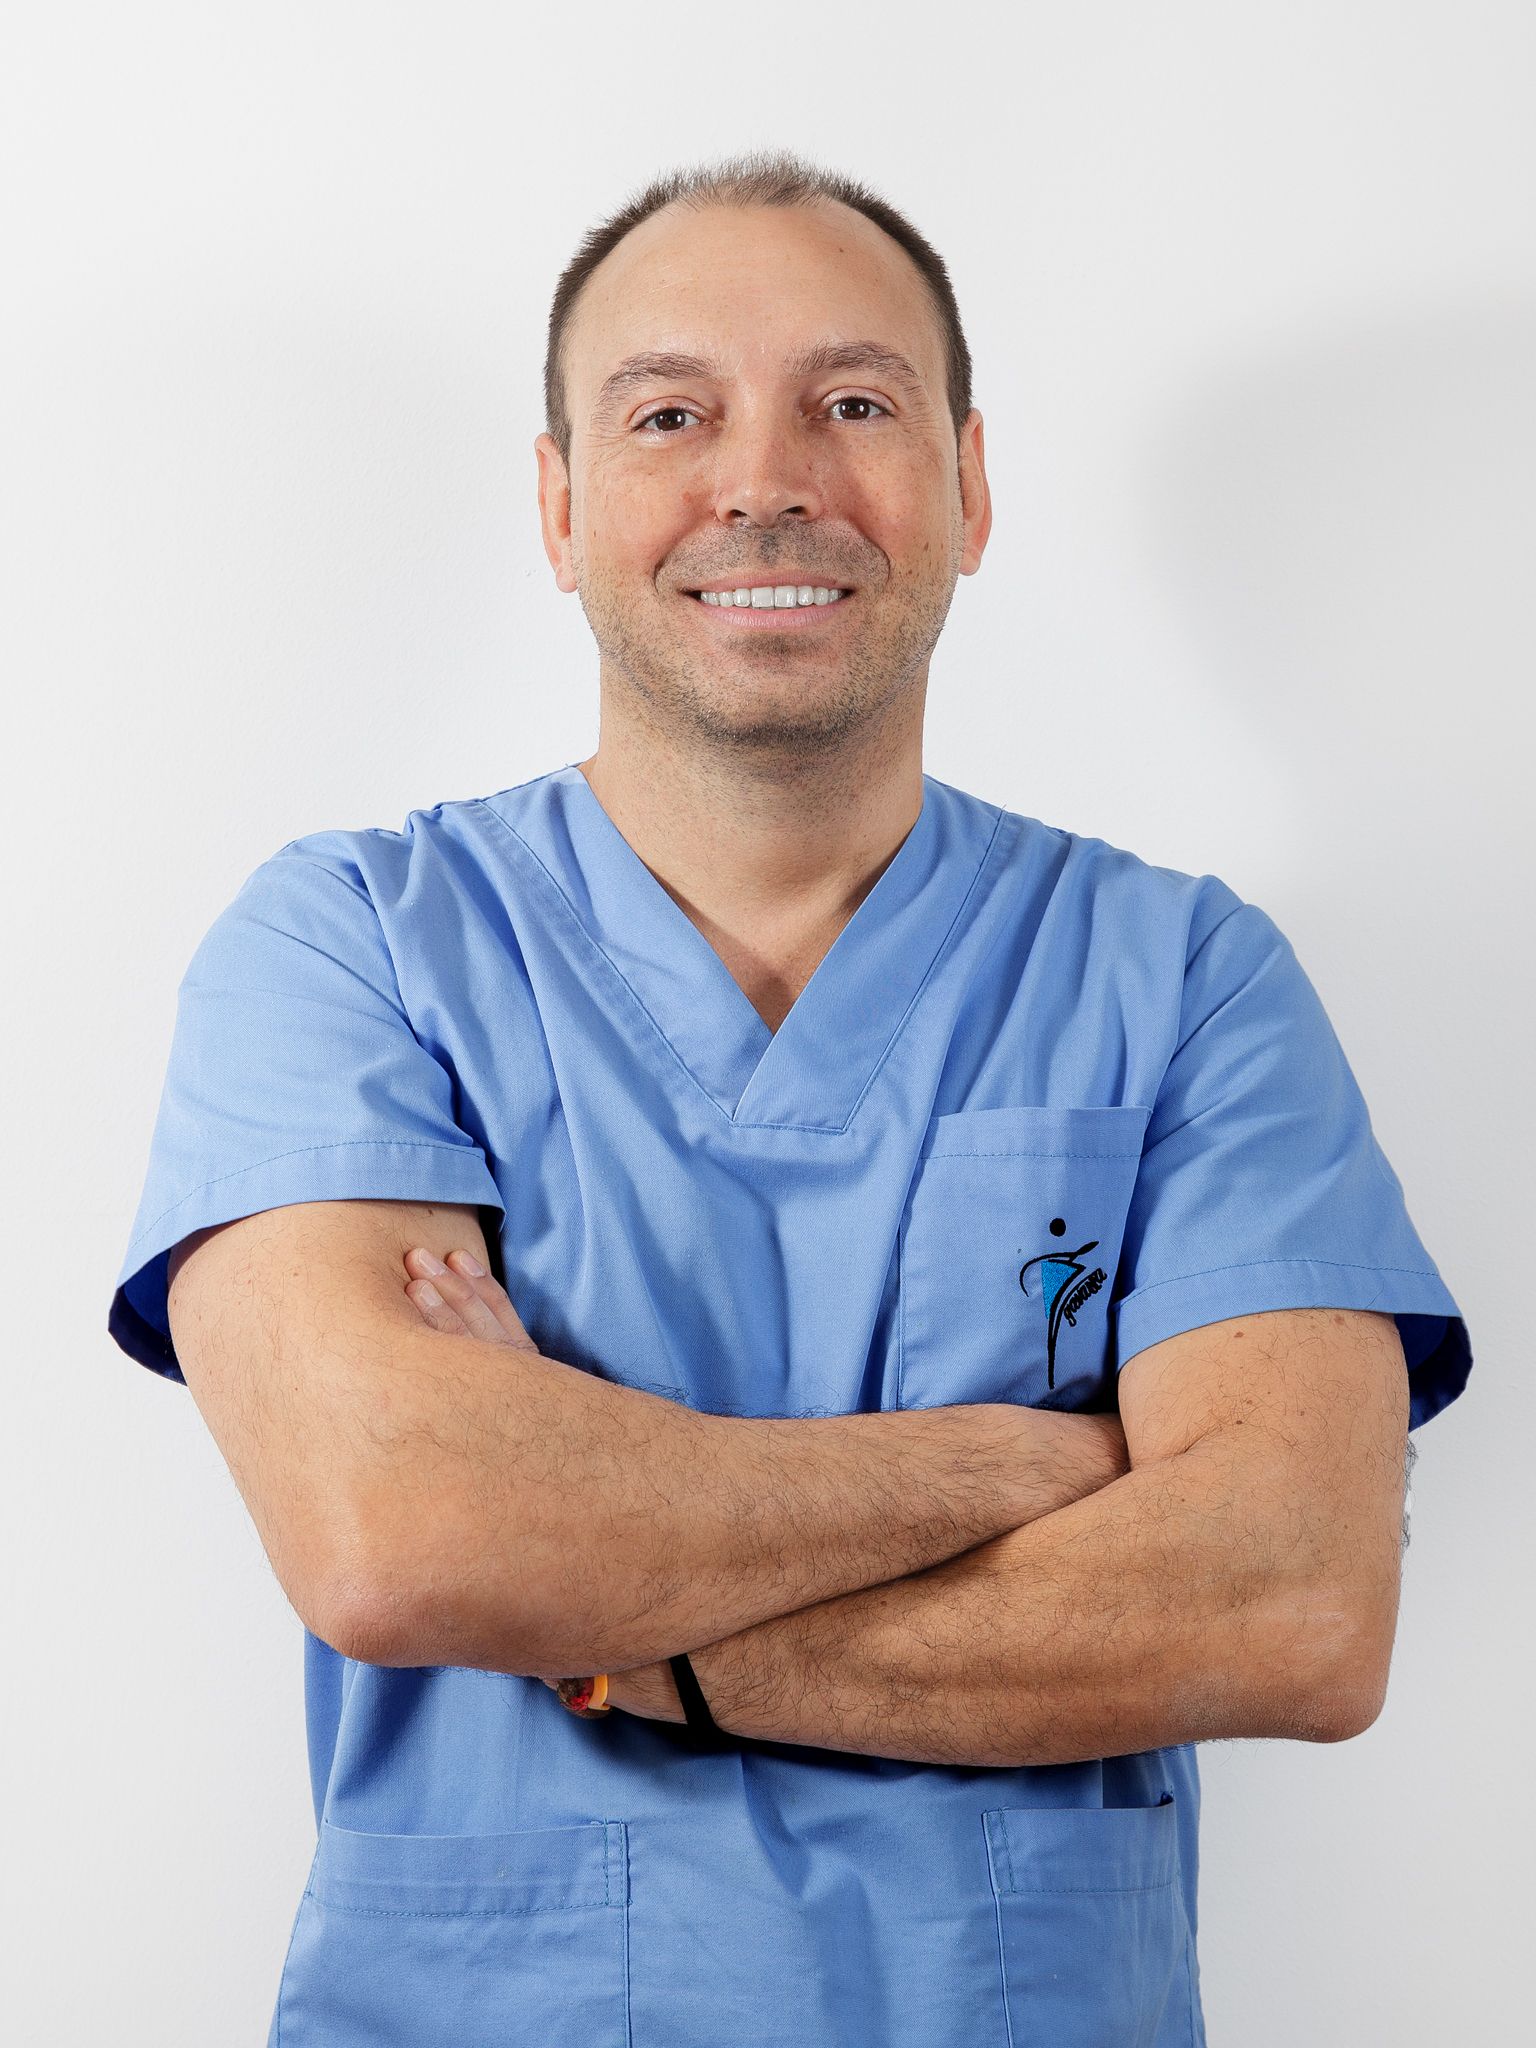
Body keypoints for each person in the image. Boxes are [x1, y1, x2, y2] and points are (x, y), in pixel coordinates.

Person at [107, 147, 1471, 2047]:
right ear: (560, 504)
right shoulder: (353, 946)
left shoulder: (1181, 979)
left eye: (855, 404)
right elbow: (397, 1534)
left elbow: (1295, 1606)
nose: (766, 480)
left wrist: (626, 1642)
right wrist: (1015, 1464)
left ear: (968, 488)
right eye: (671, 414)